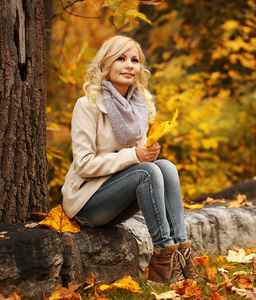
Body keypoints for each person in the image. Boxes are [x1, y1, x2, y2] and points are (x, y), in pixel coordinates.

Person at [61, 35, 199, 283]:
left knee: (165, 166)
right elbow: (83, 164)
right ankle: (162, 258)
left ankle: (181, 251)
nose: (129, 65)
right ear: (106, 64)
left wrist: (145, 152)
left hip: (117, 200)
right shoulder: (87, 105)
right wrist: (135, 155)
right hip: (87, 203)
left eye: (134, 60)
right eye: (120, 58)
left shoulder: (138, 106)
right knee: (147, 171)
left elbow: (137, 163)